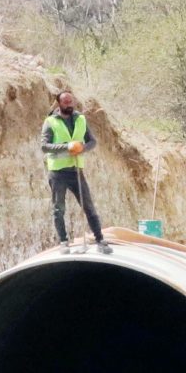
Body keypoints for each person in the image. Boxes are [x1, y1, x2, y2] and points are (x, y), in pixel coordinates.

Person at [43, 89, 111, 252]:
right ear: (59, 103)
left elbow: (92, 141)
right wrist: (67, 147)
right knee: (59, 208)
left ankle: (100, 239)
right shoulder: (50, 122)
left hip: (76, 171)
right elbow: (44, 146)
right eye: (66, 102)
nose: (70, 104)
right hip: (58, 172)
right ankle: (63, 242)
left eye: (71, 101)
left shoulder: (80, 119)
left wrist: (83, 148)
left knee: (88, 206)